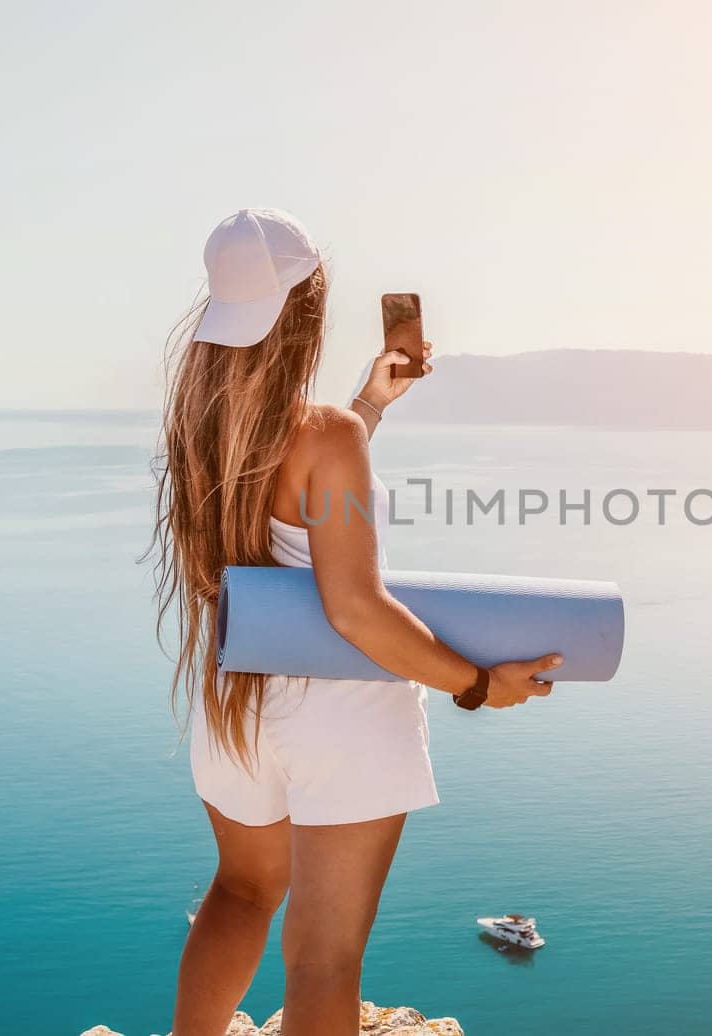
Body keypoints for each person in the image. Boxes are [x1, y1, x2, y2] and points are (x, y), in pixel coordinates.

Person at [150, 209, 561, 1036]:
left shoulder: (199, 423)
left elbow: (288, 491)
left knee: (239, 893)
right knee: (325, 956)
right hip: (338, 713)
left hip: (233, 702)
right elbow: (355, 610)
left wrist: (370, 404)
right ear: (307, 307)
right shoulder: (323, 435)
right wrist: (478, 685)